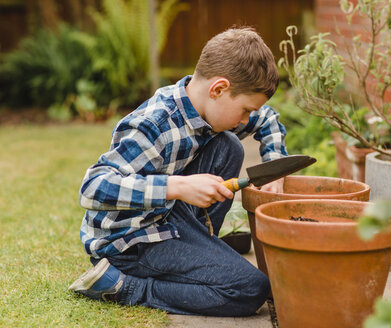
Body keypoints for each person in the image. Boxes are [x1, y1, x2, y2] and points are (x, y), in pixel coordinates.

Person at [69, 27, 288, 317]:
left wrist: (275, 164)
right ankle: (126, 286)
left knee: (228, 145)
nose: (247, 118)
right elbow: (93, 186)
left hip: (167, 217)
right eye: (246, 110)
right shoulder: (155, 125)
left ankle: (197, 250)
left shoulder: (205, 106)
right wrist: (177, 187)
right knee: (250, 289)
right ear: (218, 89)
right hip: (129, 242)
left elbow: (268, 119)